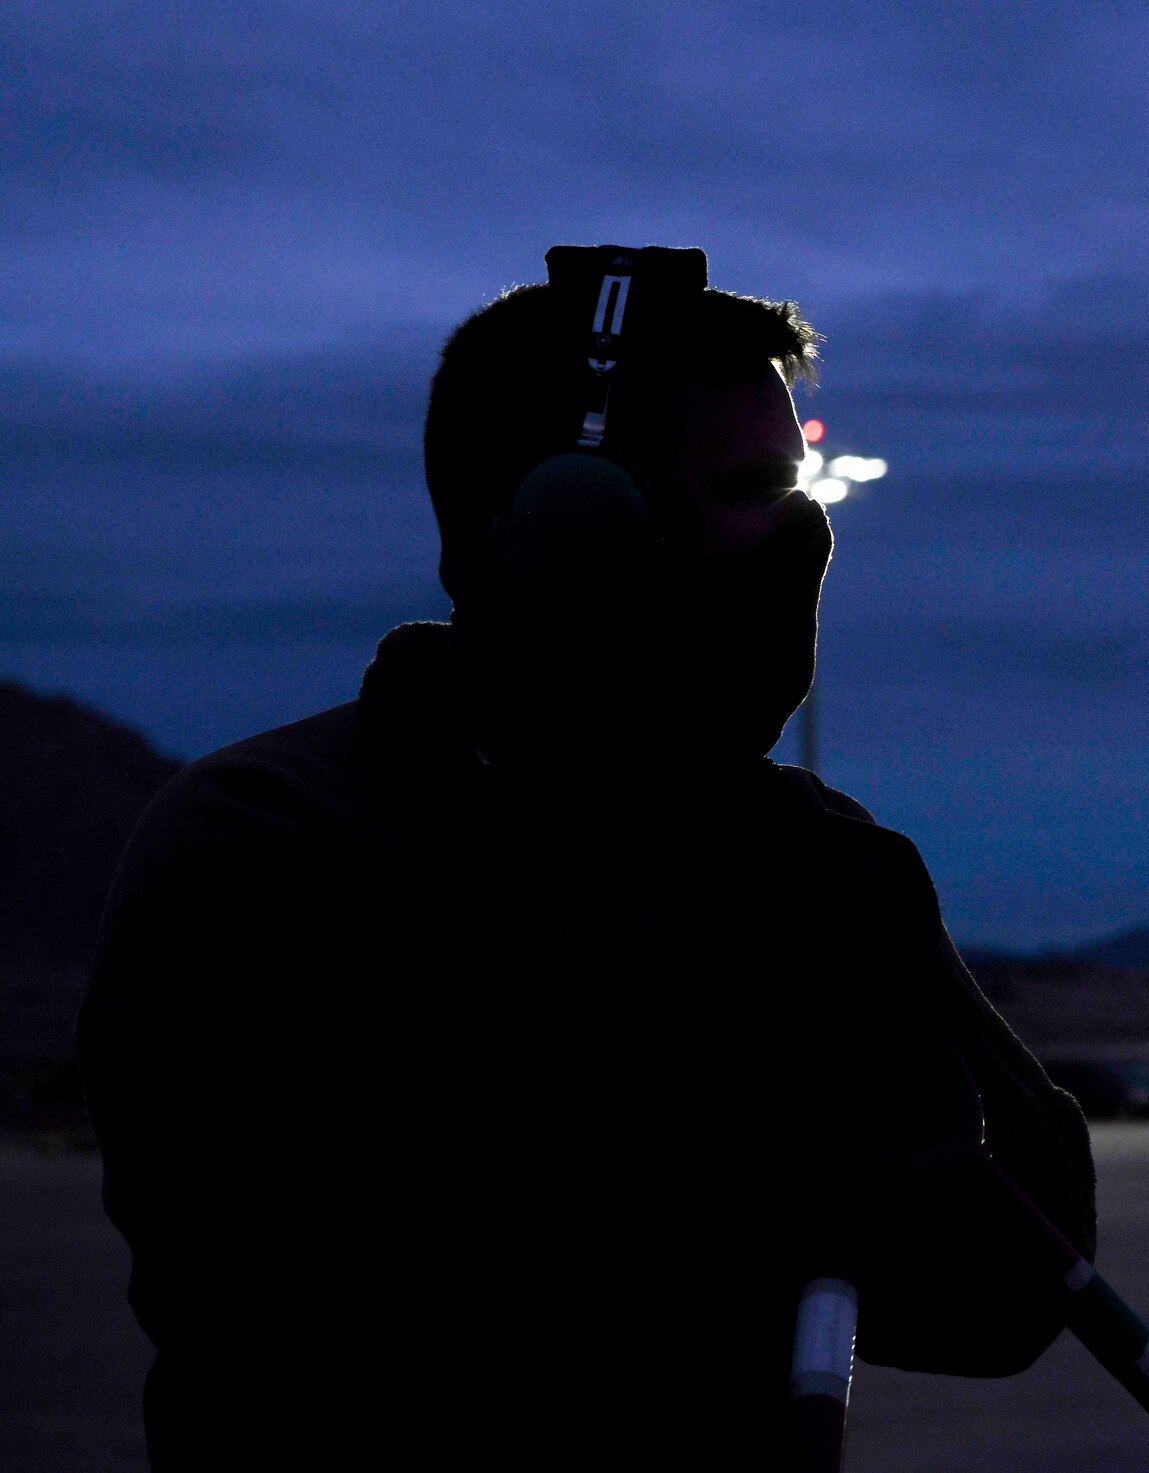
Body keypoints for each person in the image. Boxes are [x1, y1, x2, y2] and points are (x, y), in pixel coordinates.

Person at [78, 246, 1096, 1469]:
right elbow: (330, 1328)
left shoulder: (809, 858)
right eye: (756, 489)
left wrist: (897, 1046)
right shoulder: (268, 842)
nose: (802, 538)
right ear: (577, 526)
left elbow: (1002, 1304)